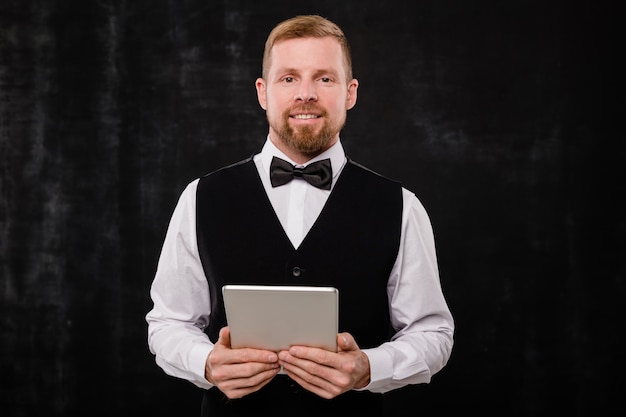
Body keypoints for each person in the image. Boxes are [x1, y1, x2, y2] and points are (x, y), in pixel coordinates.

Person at [146, 14, 454, 416]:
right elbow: (167, 323)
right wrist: (205, 362)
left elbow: (433, 334)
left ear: (350, 92)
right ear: (262, 92)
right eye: (288, 78)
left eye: (324, 78)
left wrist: (368, 368)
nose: (305, 94)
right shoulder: (199, 197)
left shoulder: (402, 205)